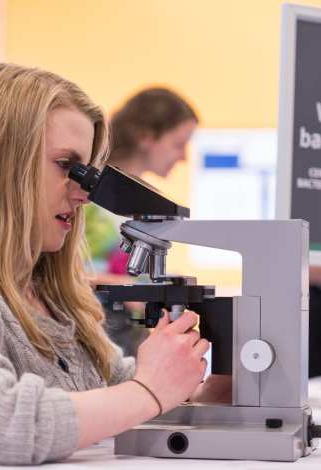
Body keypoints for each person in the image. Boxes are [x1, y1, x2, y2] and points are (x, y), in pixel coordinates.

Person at [0, 63, 226, 468]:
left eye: (86, 174)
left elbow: (122, 394)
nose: (83, 195)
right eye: (65, 166)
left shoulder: (55, 301)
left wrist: (201, 394)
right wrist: (149, 390)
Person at [84, 87, 198, 356]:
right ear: (147, 137)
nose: (184, 157)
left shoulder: (143, 200)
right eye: (178, 144)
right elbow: (58, 273)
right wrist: (130, 288)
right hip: (94, 337)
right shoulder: (87, 196)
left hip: (126, 339)